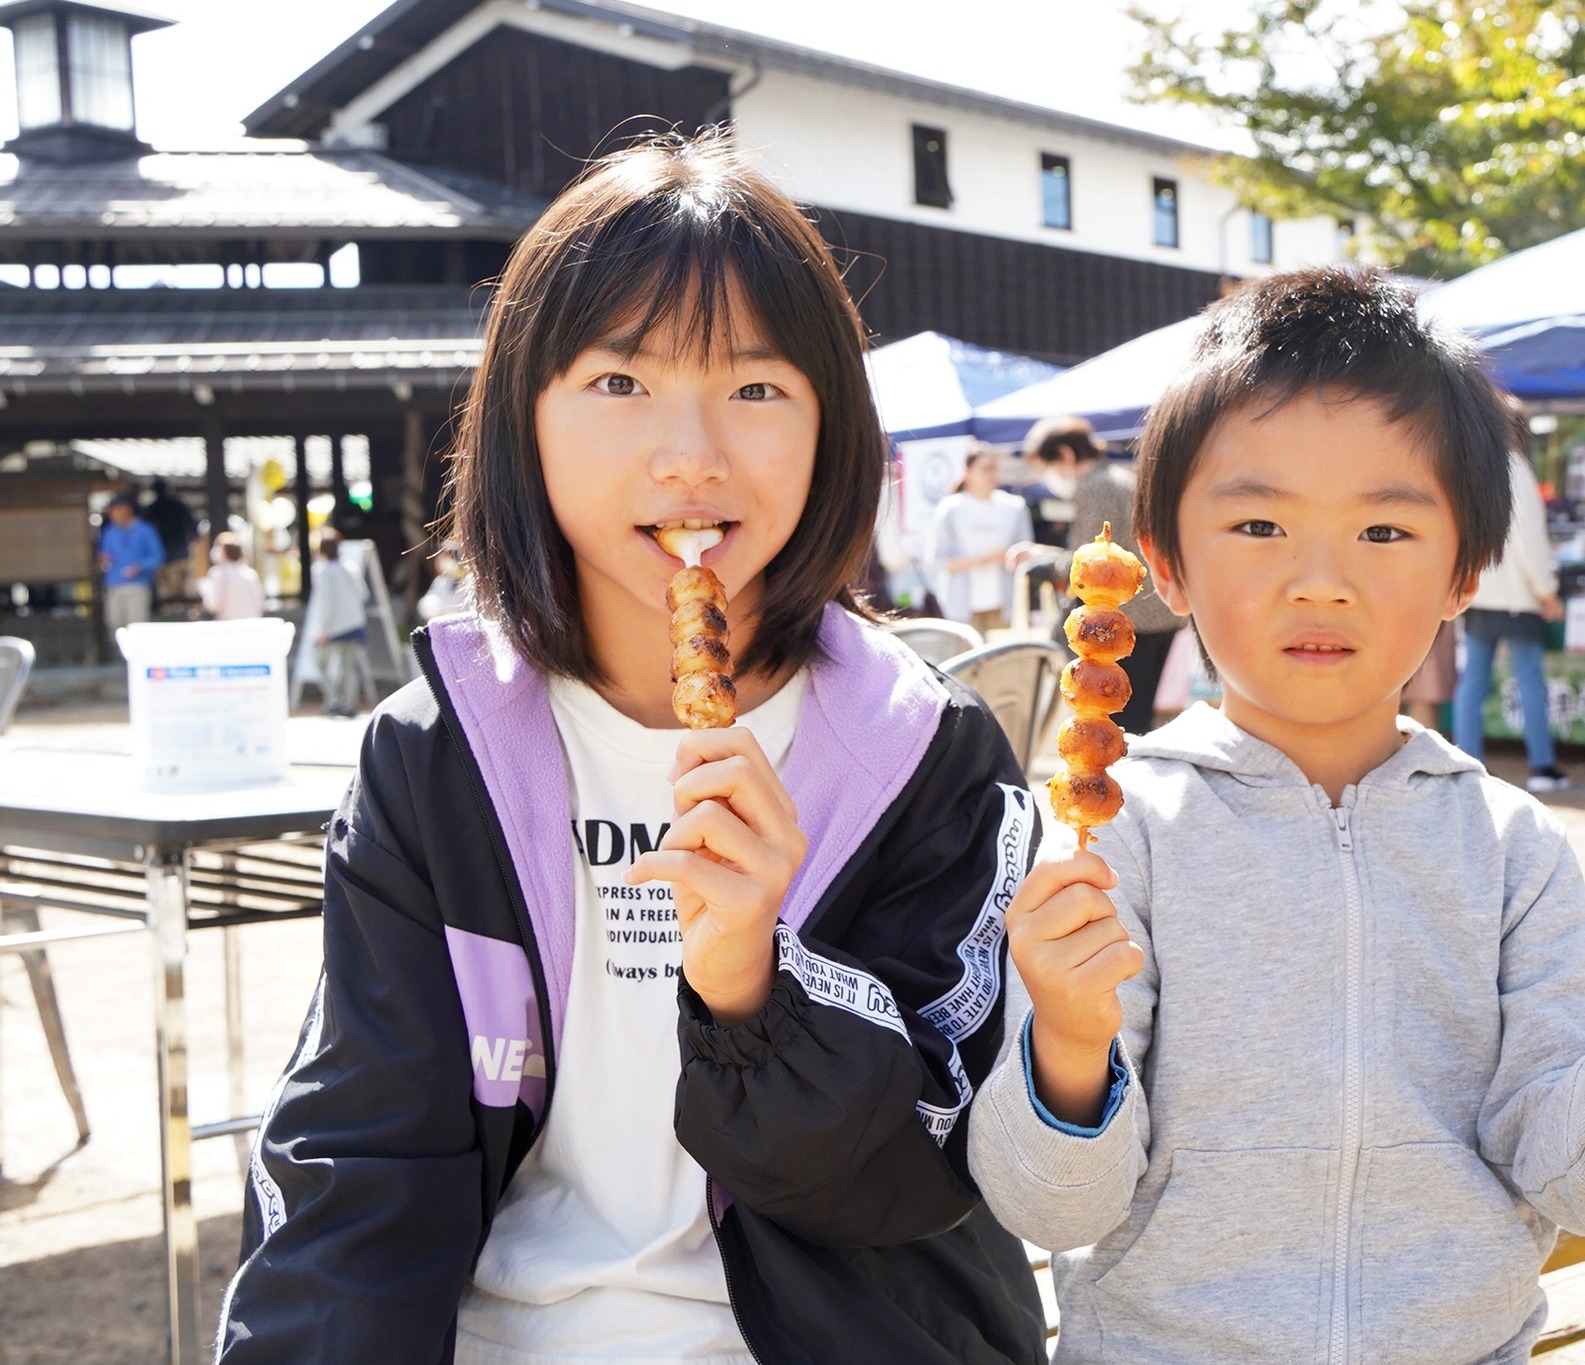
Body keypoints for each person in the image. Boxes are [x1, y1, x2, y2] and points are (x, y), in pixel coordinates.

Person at [216, 134, 1047, 1364]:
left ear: (832, 430)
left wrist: (755, 988)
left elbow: (921, 1181)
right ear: (524, 421)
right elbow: (362, 1163)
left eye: (758, 389)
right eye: (620, 383)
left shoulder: (920, 753)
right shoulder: (442, 755)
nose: (691, 455)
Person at [968, 267, 1585, 1363]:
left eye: (1383, 533)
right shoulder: (1114, 839)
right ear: (1164, 566)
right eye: (1256, 524)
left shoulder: (1510, 850)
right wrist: (1067, 1045)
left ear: (1464, 569)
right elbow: (1053, 1212)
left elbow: (1577, 1190)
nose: (1319, 580)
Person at [1007, 416, 1180, 733]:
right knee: (1137, 712)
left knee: (1114, 717)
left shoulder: (1094, 487)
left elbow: (1088, 567)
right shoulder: (1118, 478)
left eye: (1047, 465)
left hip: (1128, 616)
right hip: (1160, 608)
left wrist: (1043, 558)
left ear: (1065, 455)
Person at [1454, 426, 1571, 791]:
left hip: (1478, 590)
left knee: (1473, 682)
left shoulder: (1470, 465)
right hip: (1516, 595)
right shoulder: (1515, 468)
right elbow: (1528, 540)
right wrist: (1546, 590)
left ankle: (1465, 764)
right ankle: (1541, 765)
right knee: (1529, 681)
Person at [926, 447, 1034, 635]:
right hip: (962, 608)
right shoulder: (950, 509)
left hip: (1005, 604)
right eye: (985, 469)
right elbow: (939, 560)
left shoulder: (1014, 507)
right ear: (967, 472)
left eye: (994, 468)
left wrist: (1010, 557)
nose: (991, 474)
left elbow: (1027, 553)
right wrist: (987, 559)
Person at [302, 527, 370, 718]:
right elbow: (363, 594)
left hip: (333, 628)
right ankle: (351, 704)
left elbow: (326, 603)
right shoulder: (350, 567)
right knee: (348, 668)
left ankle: (334, 701)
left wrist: (322, 629)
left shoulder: (323, 571)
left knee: (321, 663)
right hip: (354, 624)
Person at [96, 494, 164, 640]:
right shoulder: (109, 532)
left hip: (138, 584)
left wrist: (140, 566)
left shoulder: (146, 530)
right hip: (114, 583)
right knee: (114, 621)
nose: (111, 514)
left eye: (114, 510)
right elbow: (104, 553)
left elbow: (157, 556)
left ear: (126, 510)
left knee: (137, 623)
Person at [143, 477, 199, 604]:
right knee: (175, 592)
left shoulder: (154, 509)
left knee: (173, 592)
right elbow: (193, 528)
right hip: (169, 555)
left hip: (174, 554)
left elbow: (192, 527)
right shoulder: (175, 506)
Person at [198, 531, 266, 620]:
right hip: (250, 625)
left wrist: (203, 588)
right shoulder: (250, 573)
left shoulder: (218, 573)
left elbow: (213, 605)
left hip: (228, 627)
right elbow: (260, 604)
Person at [416, 541, 468, 621]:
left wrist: (457, 572)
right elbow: (427, 602)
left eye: (443, 560)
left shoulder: (469, 581)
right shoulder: (440, 582)